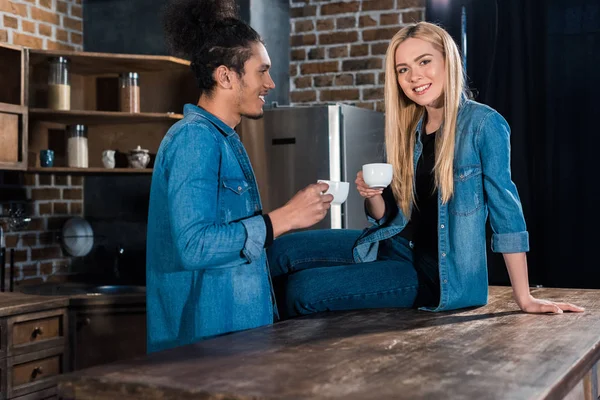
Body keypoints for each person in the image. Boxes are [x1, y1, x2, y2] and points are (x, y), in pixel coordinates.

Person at [267, 22, 584, 318]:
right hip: (390, 245)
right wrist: (373, 194)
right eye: (403, 69)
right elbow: (388, 216)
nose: (413, 77)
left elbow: (506, 213)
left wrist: (524, 297)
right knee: (282, 249)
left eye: (424, 62)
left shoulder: (483, 124)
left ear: (448, 61)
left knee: (303, 289)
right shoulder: (408, 127)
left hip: (436, 275)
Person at [146, 0, 333, 353]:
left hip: (237, 340)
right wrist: (285, 218)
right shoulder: (194, 139)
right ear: (226, 76)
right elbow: (195, 246)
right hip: (206, 349)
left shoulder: (223, 139)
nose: (271, 83)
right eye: (262, 71)